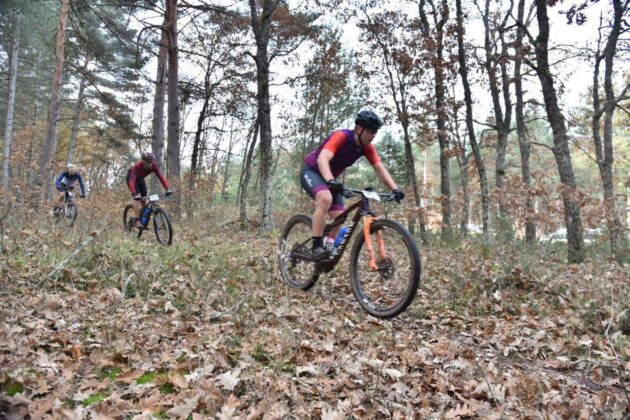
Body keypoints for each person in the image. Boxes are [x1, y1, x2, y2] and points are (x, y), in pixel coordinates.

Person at [300, 109, 405, 261]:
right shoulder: (341, 136)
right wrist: (330, 181)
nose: (373, 134)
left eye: (375, 131)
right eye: (370, 130)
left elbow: (380, 168)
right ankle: (316, 246)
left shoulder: (366, 147)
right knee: (325, 198)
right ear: (358, 129)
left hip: (331, 178)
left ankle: (328, 245)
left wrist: (394, 189)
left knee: (340, 217)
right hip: (312, 171)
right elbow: (322, 159)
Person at [127, 152, 172, 228]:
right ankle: (137, 220)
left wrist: (168, 188)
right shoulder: (137, 166)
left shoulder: (154, 166)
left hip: (140, 180)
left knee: (144, 199)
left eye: (151, 162)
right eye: (147, 162)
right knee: (138, 197)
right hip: (131, 179)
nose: (149, 164)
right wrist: (134, 193)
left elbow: (161, 177)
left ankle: (143, 219)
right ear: (142, 160)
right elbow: (132, 181)